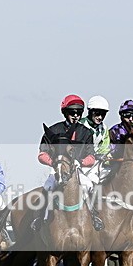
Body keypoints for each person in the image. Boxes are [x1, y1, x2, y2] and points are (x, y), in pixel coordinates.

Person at [32, 94, 100, 231]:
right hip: (56, 168)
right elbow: (42, 154)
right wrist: (53, 162)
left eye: (79, 113)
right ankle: (40, 218)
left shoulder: (86, 133)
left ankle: (94, 217)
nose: (75, 115)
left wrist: (80, 162)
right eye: (72, 112)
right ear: (65, 113)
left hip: (78, 169)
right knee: (48, 186)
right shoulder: (53, 130)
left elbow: (91, 157)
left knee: (89, 185)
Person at [80, 95, 112, 185]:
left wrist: (107, 157)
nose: (100, 117)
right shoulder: (80, 125)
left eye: (103, 114)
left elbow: (105, 148)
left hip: (97, 164)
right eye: (97, 113)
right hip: (81, 163)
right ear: (90, 111)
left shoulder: (104, 128)